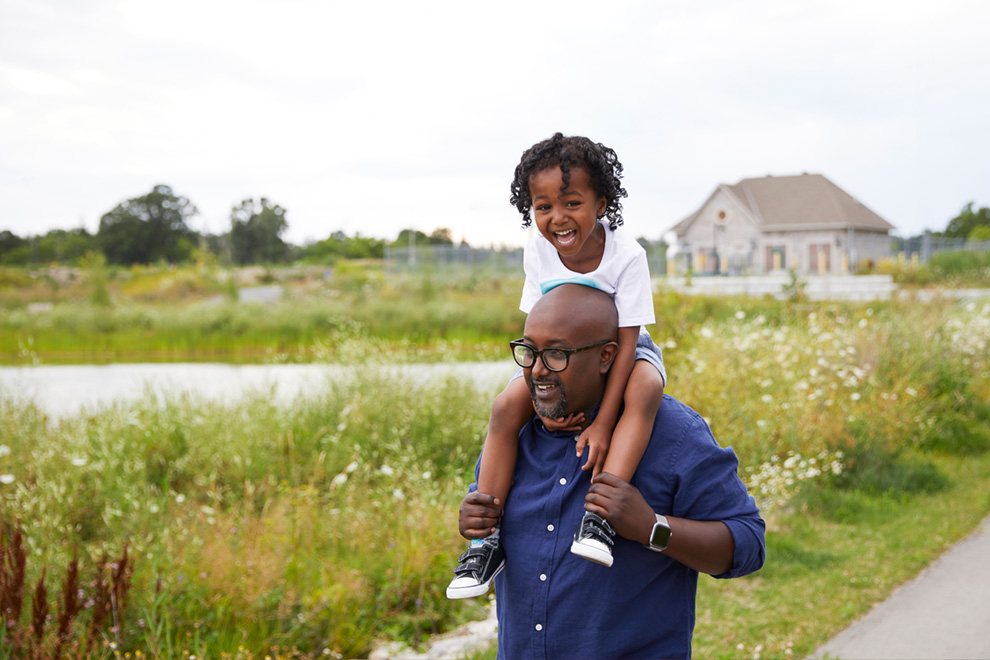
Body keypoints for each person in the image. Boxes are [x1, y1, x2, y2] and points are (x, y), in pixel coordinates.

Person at [458, 283, 766, 659]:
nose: (537, 370)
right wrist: (476, 520)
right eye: (529, 351)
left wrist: (653, 528)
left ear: (606, 357)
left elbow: (748, 544)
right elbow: (488, 519)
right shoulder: (512, 435)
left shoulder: (674, 433)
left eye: (556, 354)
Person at [447, 133, 667, 599]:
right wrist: (544, 398)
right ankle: (486, 542)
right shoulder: (538, 249)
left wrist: (604, 421)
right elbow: (536, 326)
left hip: (620, 348)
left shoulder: (627, 255)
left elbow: (626, 343)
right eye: (542, 206)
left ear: (601, 203)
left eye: (572, 203)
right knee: (506, 405)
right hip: (558, 356)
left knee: (645, 389)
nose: (557, 218)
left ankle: (599, 519)